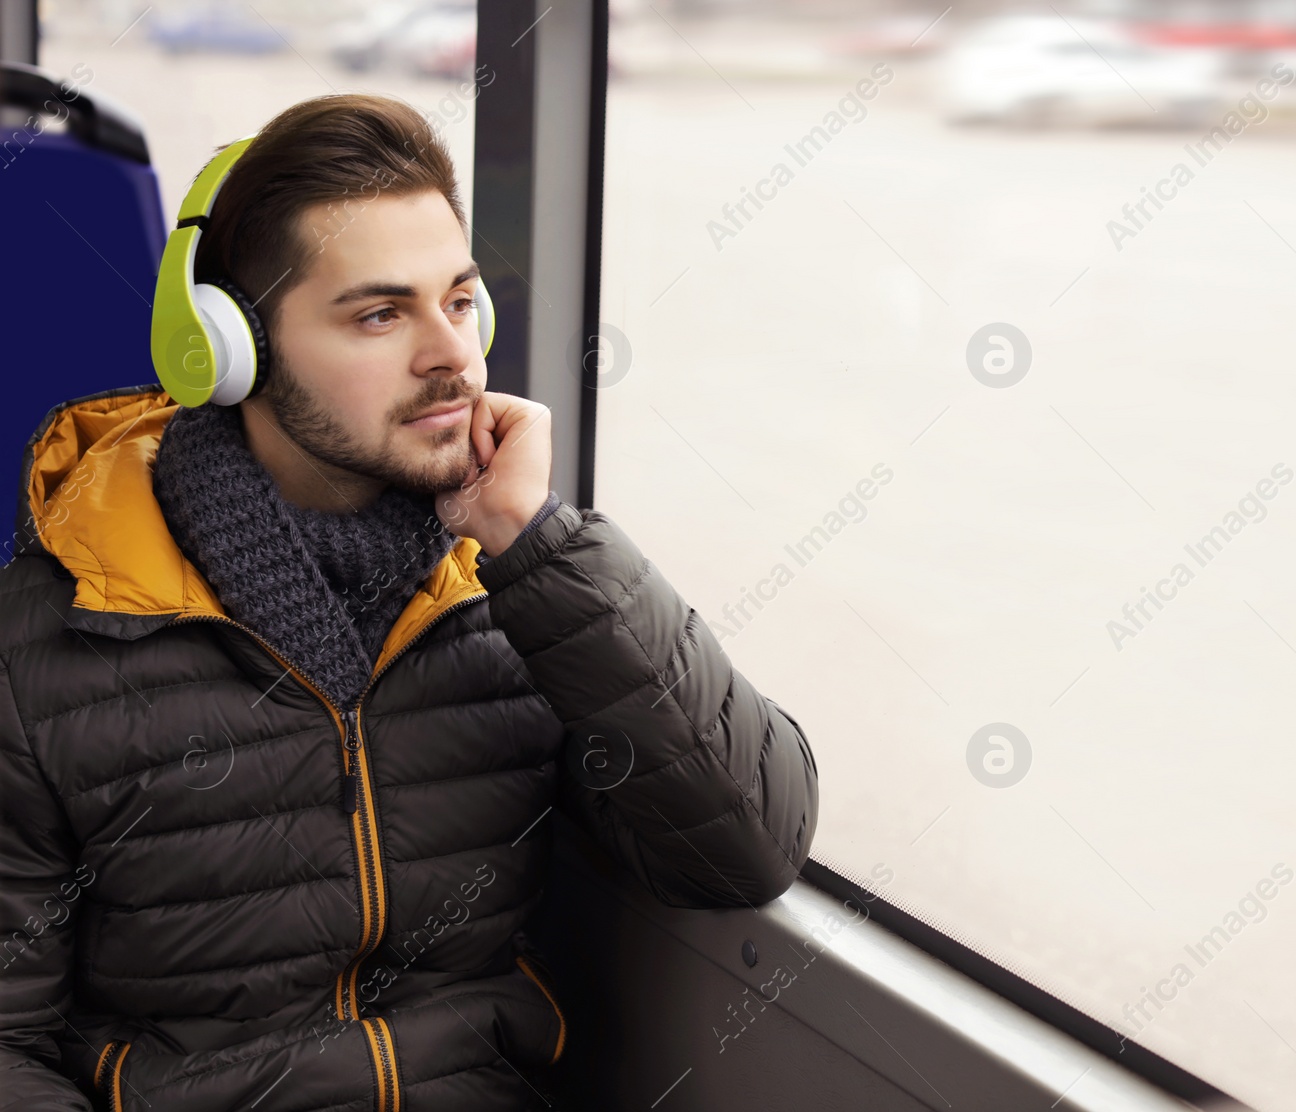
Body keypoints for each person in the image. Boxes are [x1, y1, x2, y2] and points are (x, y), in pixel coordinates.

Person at [0, 92, 819, 1111]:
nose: (453, 356)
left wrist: (542, 547)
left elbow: (745, 847)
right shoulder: (48, 644)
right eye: (381, 313)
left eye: (461, 299)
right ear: (229, 349)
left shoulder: (513, 585)